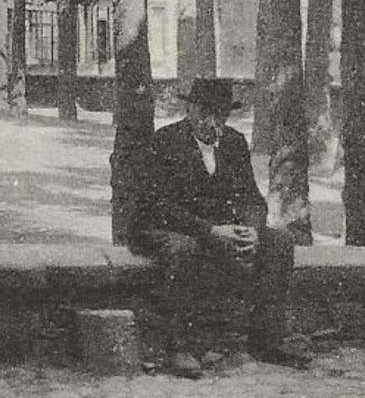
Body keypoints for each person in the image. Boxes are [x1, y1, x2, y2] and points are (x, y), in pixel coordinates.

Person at [129, 78, 312, 377]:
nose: (211, 122)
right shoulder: (165, 141)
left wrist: (252, 229)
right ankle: (180, 346)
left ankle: (267, 339)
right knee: (185, 248)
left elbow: (252, 198)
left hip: (215, 229)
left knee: (278, 241)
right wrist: (209, 231)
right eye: (204, 112)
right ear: (189, 110)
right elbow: (157, 205)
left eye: (220, 114)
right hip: (161, 226)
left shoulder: (234, 143)